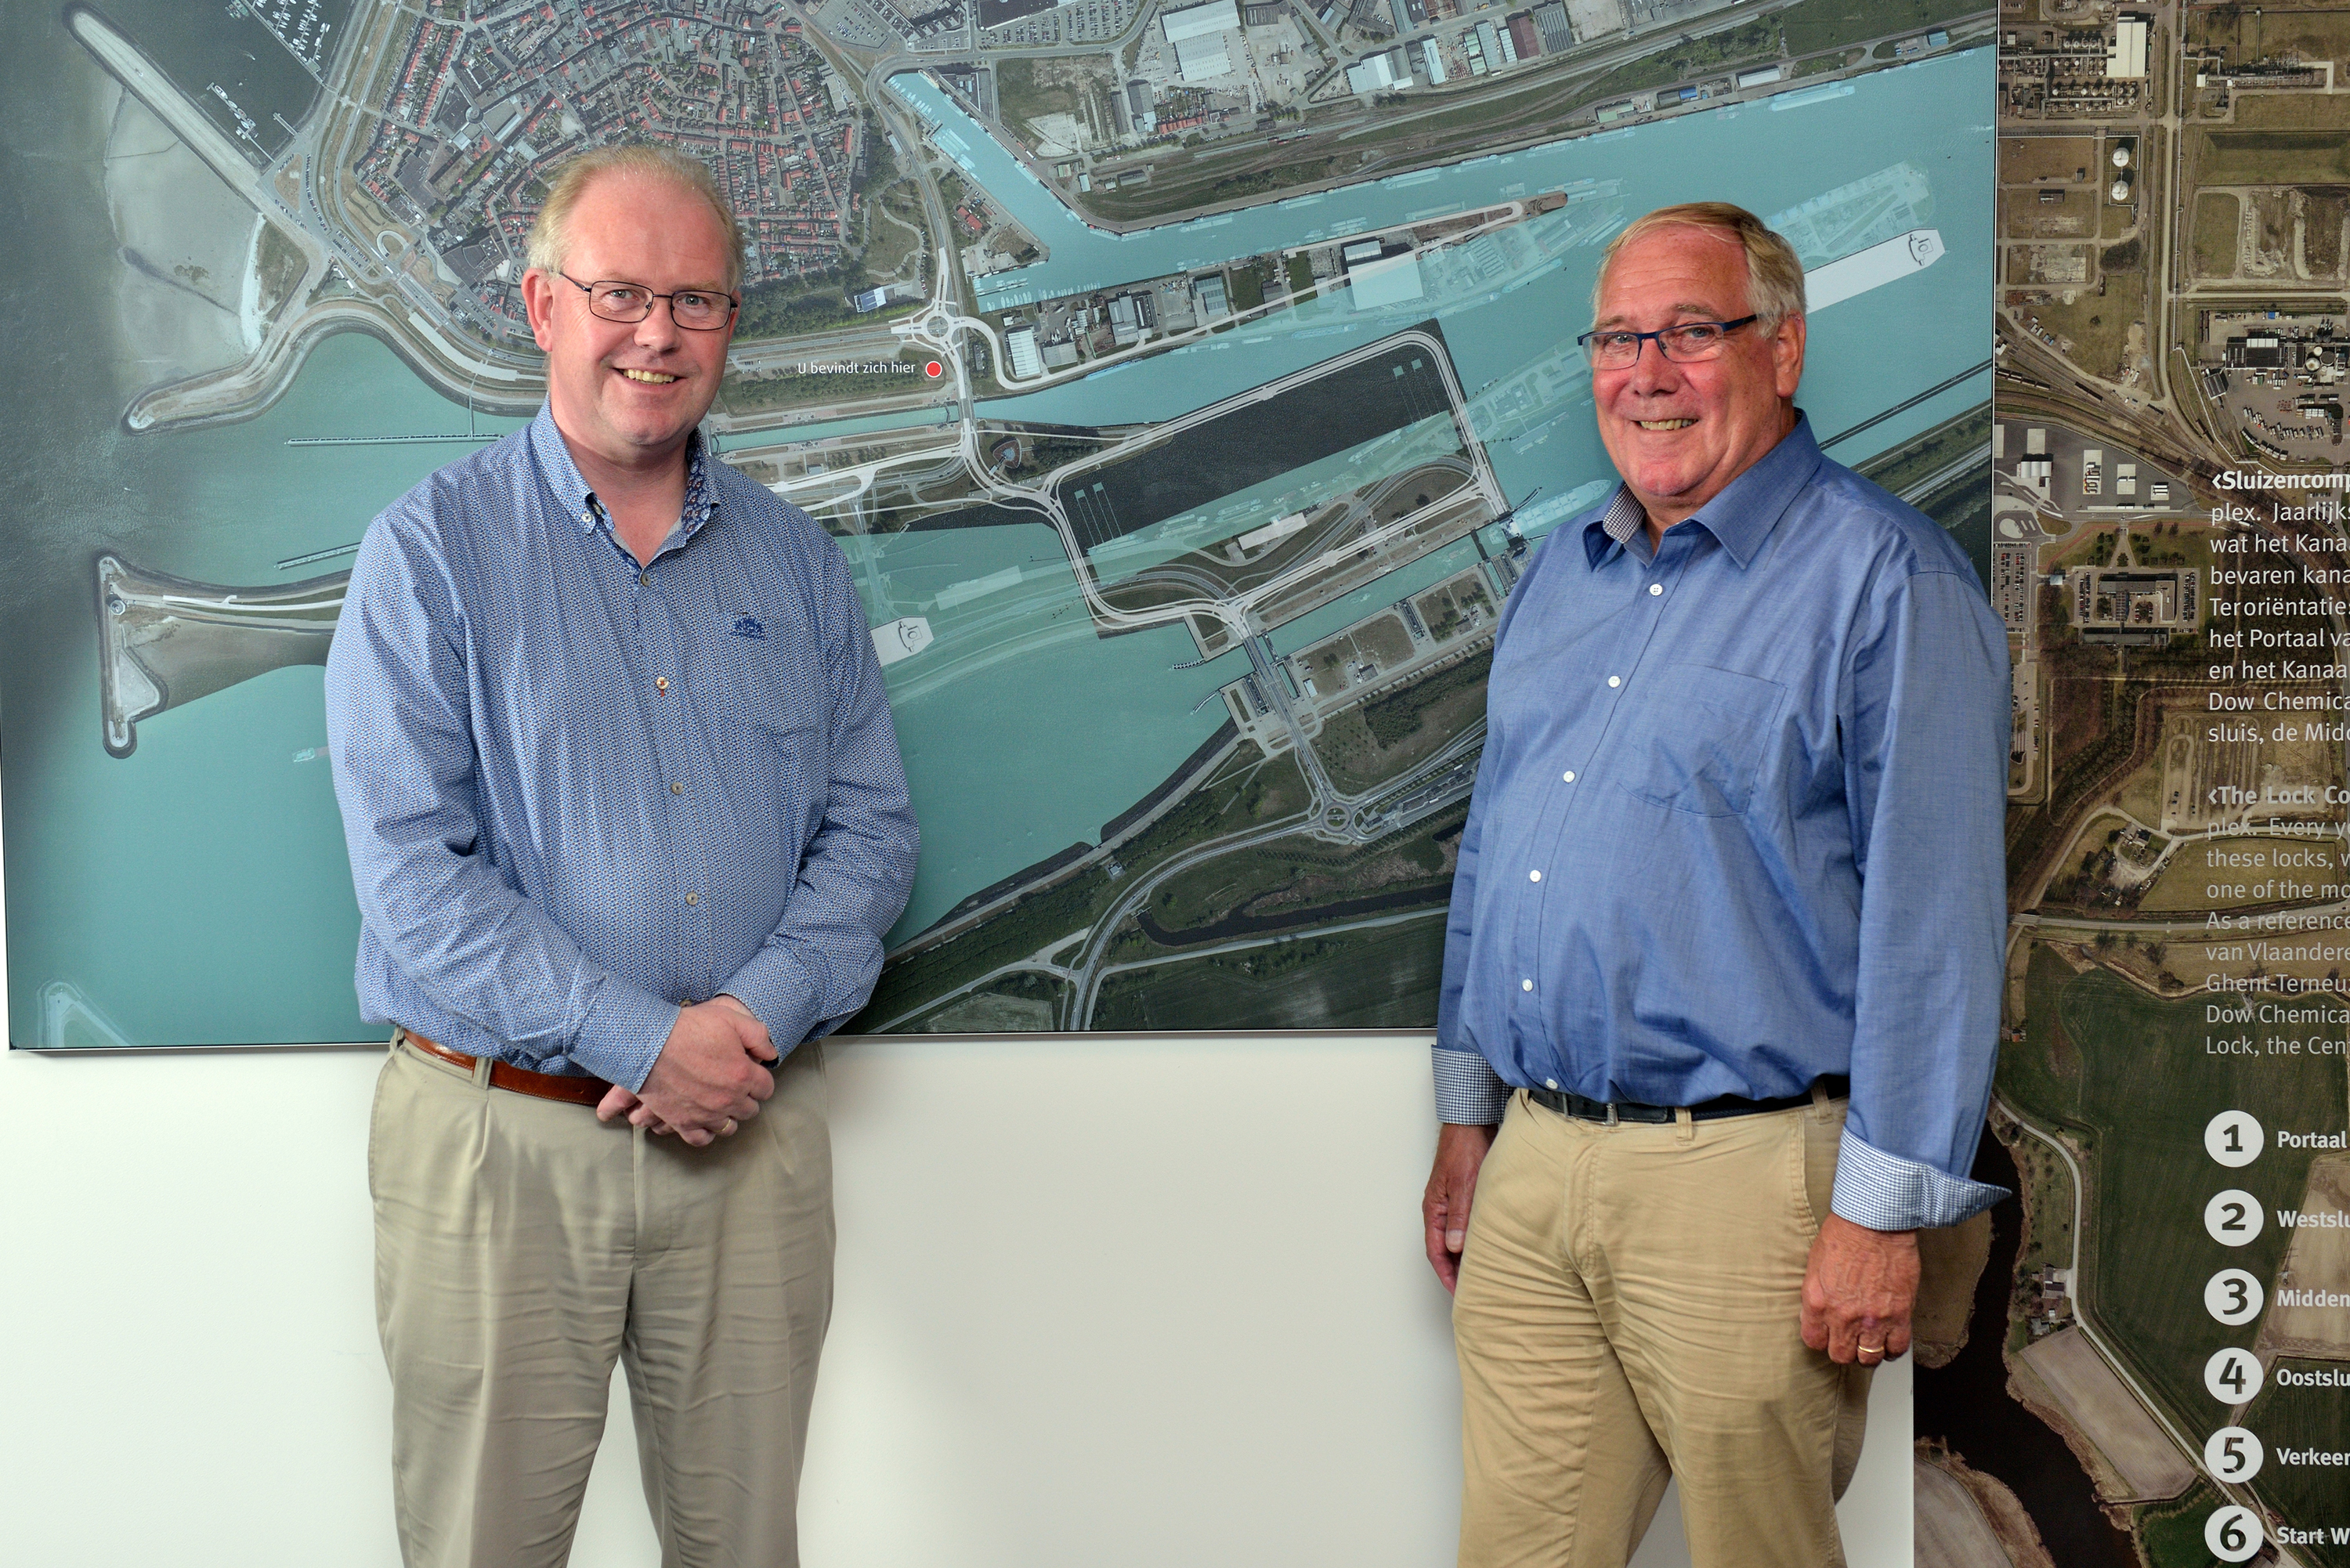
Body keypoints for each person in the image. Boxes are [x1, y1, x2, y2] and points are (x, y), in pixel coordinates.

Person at [324, 144, 918, 1568]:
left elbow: (872, 832)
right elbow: (410, 875)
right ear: (544, 307)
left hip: (747, 1138)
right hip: (501, 1147)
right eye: (620, 294)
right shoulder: (431, 553)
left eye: (695, 300)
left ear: (730, 326)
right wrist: (644, 1038)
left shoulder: (797, 565)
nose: (657, 333)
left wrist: (747, 1020)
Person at [1419, 202, 2008, 1567]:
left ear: (1782, 350)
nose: (1648, 372)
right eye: (1618, 338)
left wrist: (1879, 1216)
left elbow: (1937, 934)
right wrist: (1466, 1113)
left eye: (1690, 331)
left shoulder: (1888, 581)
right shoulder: (1561, 575)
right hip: (1536, 1162)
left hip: (1748, 1185)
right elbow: (1495, 849)